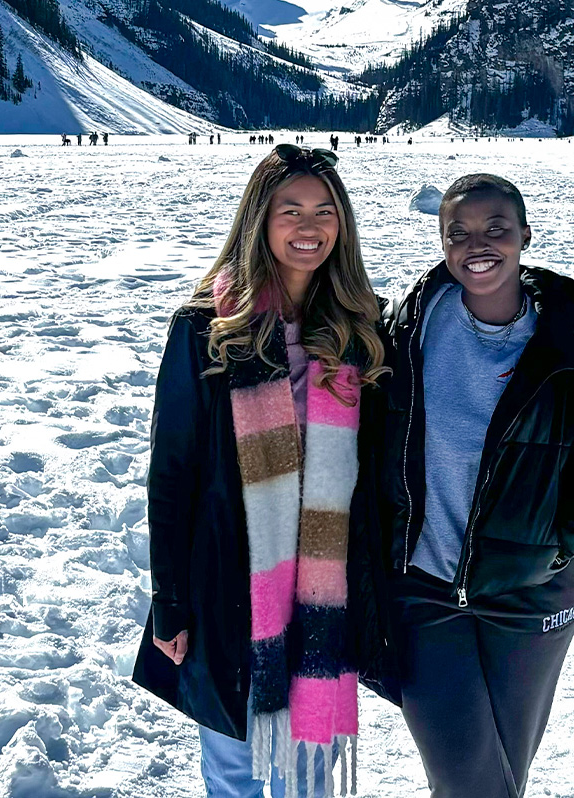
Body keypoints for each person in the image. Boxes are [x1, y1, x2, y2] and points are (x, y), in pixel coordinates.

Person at [371, 173, 574, 798]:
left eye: (497, 228)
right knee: (467, 780)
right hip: (424, 594)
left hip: (530, 596)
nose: (480, 244)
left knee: (498, 779)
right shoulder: (403, 336)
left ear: (525, 234)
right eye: (460, 232)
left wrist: (551, 545)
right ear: (442, 243)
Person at [131, 144, 387, 798]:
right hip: (230, 595)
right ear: (259, 220)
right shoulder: (208, 330)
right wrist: (170, 603)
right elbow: (173, 474)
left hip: (325, 599)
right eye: (290, 210)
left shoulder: (358, 333)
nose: (309, 227)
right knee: (237, 777)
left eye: (325, 211)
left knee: (309, 782)